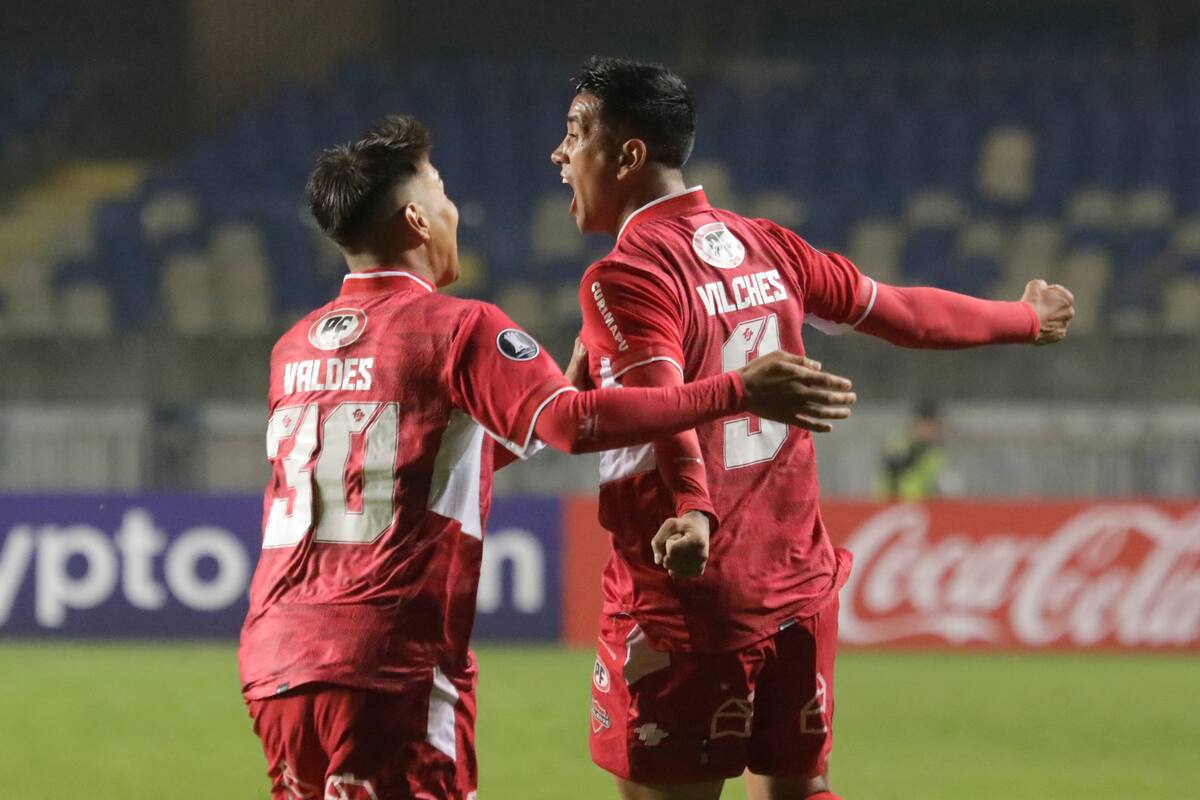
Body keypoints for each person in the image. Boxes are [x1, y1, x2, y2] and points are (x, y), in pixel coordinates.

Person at [236, 114, 859, 800]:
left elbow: (403, 470)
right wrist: (738, 389)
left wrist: (557, 382)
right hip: (386, 664)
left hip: (275, 660)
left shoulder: (293, 348)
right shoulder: (458, 326)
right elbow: (571, 425)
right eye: (442, 194)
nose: (452, 212)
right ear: (416, 219)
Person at [549, 57, 1075, 800]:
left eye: (575, 133)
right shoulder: (769, 244)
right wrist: (1022, 318)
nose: (560, 154)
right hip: (795, 587)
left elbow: (668, 408)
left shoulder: (626, 275)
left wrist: (695, 510)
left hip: (690, 603)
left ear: (628, 155)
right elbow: (902, 313)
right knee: (796, 789)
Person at [879, 399, 956, 500]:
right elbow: (892, 469)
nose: (931, 431)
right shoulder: (900, 444)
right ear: (916, 424)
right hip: (894, 504)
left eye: (935, 426)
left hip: (923, 507)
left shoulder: (937, 454)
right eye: (928, 425)